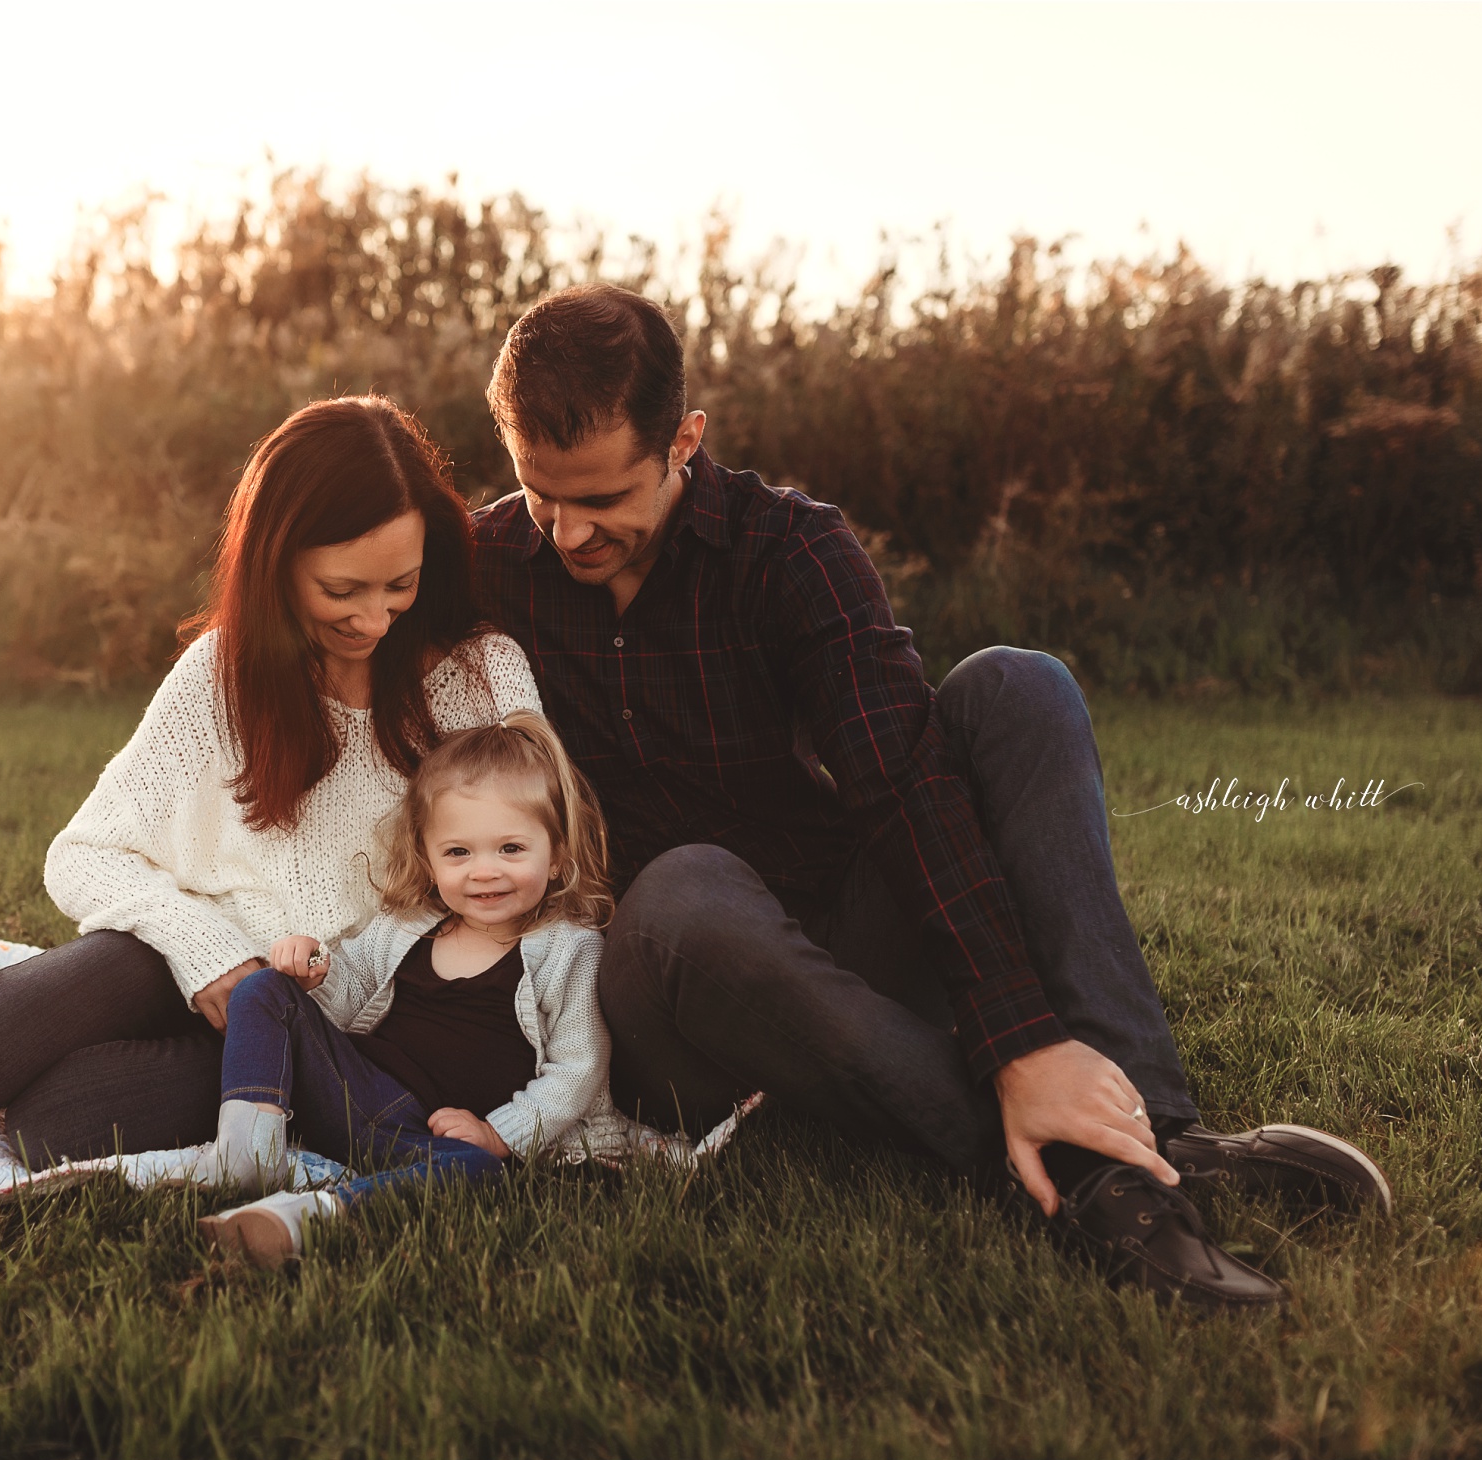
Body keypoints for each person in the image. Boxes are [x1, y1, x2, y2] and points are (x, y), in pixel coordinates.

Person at [468, 283, 1390, 1309]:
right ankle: (1100, 1174)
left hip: (833, 935)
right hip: (668, 994)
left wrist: (1019, 1036)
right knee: (684, 888)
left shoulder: (787, 549)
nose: (567, 536)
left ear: (683, 441)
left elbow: (904, 779)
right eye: (541, 497)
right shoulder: (485, 570)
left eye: (602, 501)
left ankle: (1149, 1127)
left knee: (1014, 683)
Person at [0, 396, 542, 1166]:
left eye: (399, 585)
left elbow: (553, 846)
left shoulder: (481, 679)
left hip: (339, 1036)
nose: (374, 618)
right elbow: (86, 853)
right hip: (191, 968)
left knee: (53, 1125)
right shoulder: (221, 678)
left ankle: (94, 1059)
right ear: (278, 561)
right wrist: (206, 954)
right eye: (343, 590)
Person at [198, 710, 630, 1268]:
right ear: (427, 859)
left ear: (557, 858)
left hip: (433, 1142)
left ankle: (312, 1215)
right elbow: (348, 996)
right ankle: (245, 1156)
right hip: (358, 1094)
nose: (484, 871)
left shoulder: (568, 948)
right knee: (261, 989)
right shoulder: (407, 924)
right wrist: (315, 973)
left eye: (511, 849)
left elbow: (578, 1068)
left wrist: (498, 1135)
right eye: (458, 852)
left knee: (479, 1173)